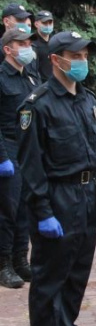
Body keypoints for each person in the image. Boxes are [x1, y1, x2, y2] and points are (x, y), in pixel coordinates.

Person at [17, 31, 96, 326]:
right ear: (56, 59)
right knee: (48, 281)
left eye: (85, 54)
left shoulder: (88, 100)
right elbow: (32, 166)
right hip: (57, 198)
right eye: (75, 55)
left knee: (76, 279)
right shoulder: (37, 105)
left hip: (87, 198)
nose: (82, 61)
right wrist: (43, 212)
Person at [0, 29, 39, 288]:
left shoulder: (32, 76)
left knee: (26, 207)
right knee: (8, 210)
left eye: (28, 43)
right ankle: (4, 265)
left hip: (28, 150)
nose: (27, 48)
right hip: (8, 148)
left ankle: (20, 260)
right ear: (7, 49)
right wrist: (2, 156)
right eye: (21, 44)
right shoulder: (1, 77)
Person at [31, 11, 54, 81]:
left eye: (50, 23)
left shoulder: (55, 42)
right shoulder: (32, 42)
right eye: (44, 23)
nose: (48, 25)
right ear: (36, 24)